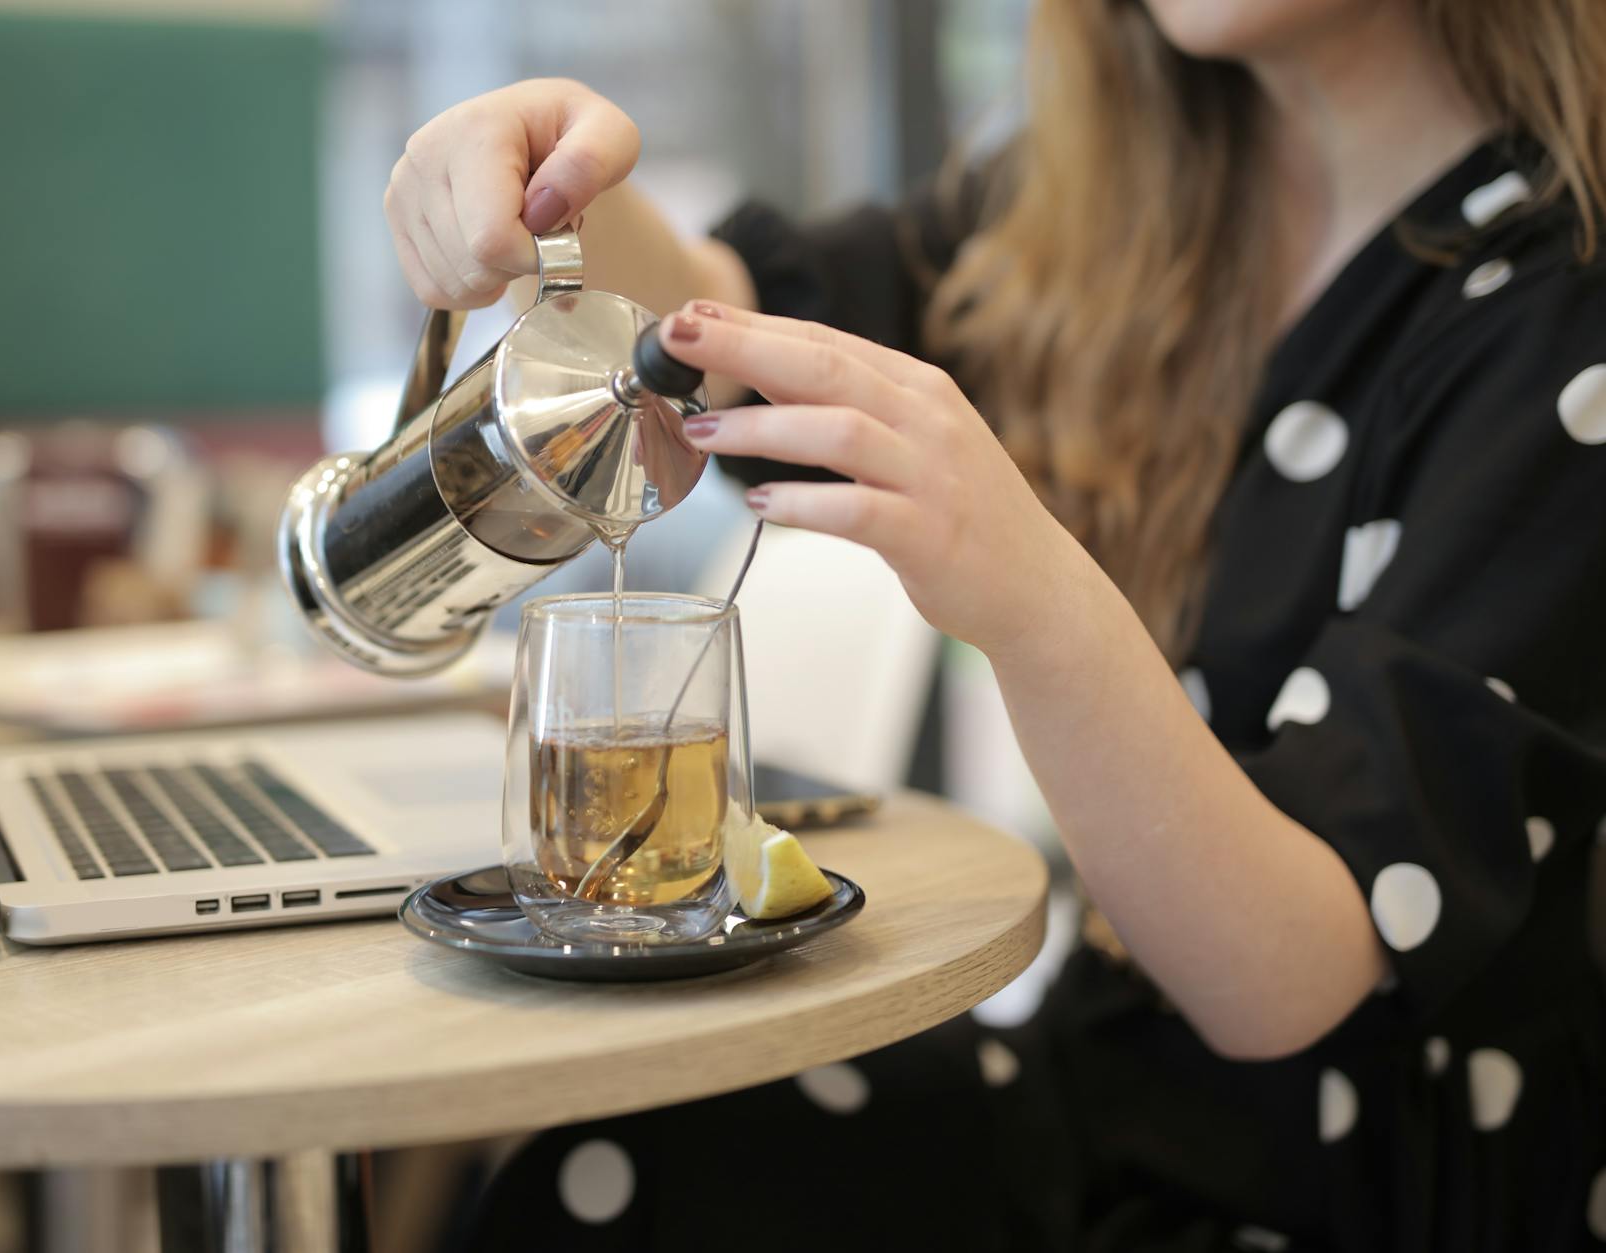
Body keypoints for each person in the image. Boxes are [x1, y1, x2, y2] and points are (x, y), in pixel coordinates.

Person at [382, 1, 1606, 1248]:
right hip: (1117, 1103)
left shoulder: (1568, 301)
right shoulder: (1115, 209)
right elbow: (732, 329)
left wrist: (1033, 597)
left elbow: (1297, 978)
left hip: (1375, 1196)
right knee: (622, 1162)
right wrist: (552, 182)